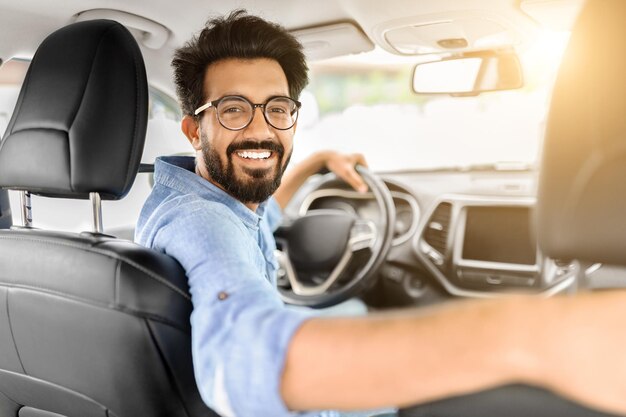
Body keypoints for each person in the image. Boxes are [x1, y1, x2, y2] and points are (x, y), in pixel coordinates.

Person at [135, 10, 626, 417]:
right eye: (235, 110)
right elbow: (243, 363)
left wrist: (317, 165)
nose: (262, 132)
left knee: (355, 312)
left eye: (278, 109)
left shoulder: (209, 200)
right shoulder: (202, 221)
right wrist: (532, 335)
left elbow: (262, 223)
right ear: (193, 130)